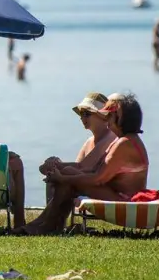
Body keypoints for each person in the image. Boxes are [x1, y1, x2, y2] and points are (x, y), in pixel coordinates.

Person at [21, 92, 149, 234]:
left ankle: (45, 226)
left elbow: (98, 178)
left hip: (126, 201)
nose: (107, 120)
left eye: (109, 115)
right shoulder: (126, 140)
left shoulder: (124, 143)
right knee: (69, 174)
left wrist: (63, 178)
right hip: (118, 194)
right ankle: (46, 225)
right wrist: (63, 172)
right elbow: (94, 171)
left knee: (69, 179)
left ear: (120, 118)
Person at [38, 93, 116, 205]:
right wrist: (54, 164)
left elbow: (81, 167)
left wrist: (55, 165)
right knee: (57, 173)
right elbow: (78, 168)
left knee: (62, 173)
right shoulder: (89, 141)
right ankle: (50, 213)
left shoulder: (110, 137)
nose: (82, 118)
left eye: (86, 113)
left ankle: (51, 215)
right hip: (90, 186)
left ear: (103, 116)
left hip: (106, 190)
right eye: (81, 114)